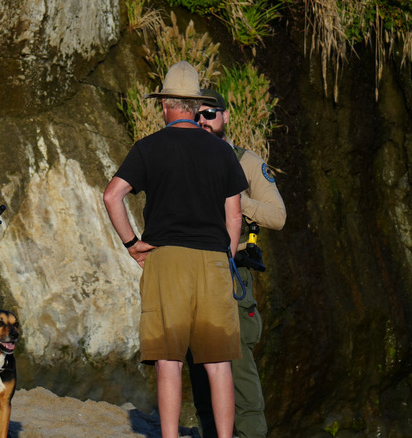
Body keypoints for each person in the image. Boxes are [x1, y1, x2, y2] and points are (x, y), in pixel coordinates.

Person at [103, 61, 249, 438]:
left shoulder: (149, 147)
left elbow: (112, 195)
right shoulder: (222, 151)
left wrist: (133, 244)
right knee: (218, 364)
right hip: (215, 261)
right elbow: (234, 216)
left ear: (166, 104)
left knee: (169, 361)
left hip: (166, 259)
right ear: (196, 106)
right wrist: (227, 257)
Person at [187, 89, 286, 438]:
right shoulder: (182, 158)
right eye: (196, 114)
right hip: (191, 270)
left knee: (238, 368)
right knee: (199, 367)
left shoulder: (246, 162)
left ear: (225, 117)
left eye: (210, 114)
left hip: (233, 274)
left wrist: (237, 198)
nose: (203, 121)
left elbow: (277, 216)